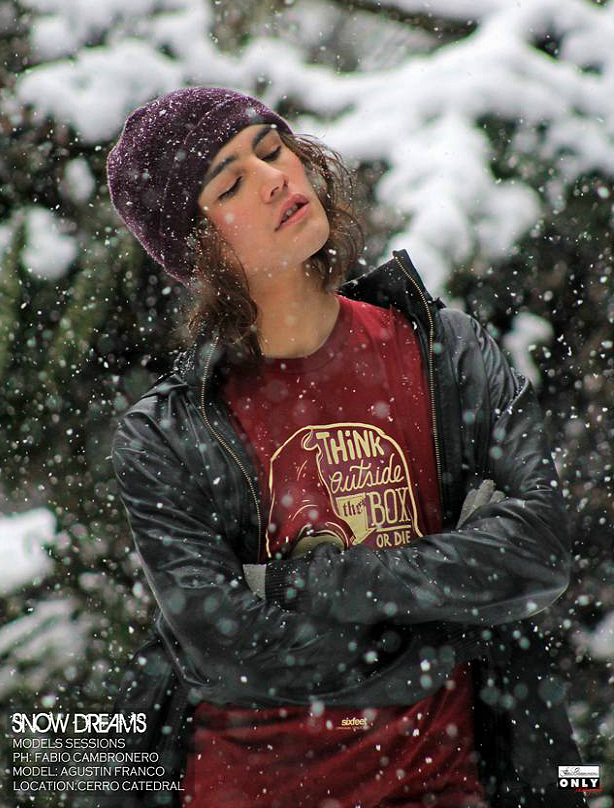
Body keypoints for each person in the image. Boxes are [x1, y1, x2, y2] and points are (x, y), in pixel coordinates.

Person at [105, 85, 587, 808]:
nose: (275, 180)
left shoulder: (443, 353)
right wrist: (444, 619)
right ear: (197, 250)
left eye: (273, 150)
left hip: (447, 784)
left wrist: (312, 583)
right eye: (231, 183)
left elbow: (541, 548)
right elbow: (227, 647)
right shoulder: (167, 432)